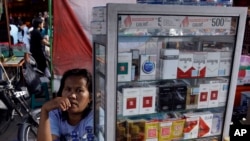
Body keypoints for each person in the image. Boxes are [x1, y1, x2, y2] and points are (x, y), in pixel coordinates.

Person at [37, 68, 93, 141]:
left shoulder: (95, 117)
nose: (72, 95)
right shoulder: (55, 114)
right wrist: (45, 110)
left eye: (79, 90)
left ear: (90, 97)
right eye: (68, 89)